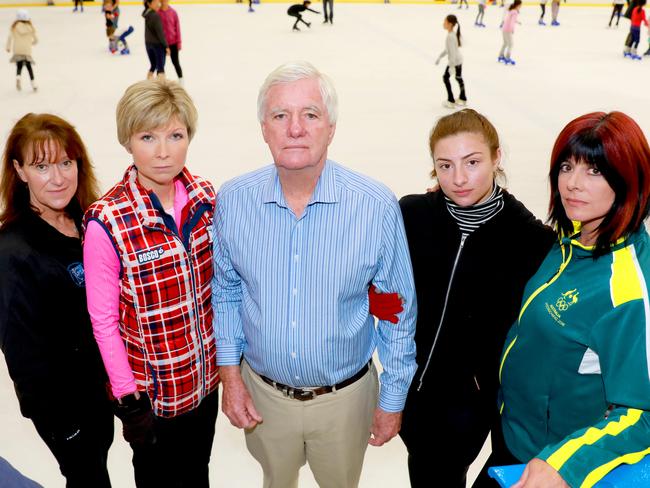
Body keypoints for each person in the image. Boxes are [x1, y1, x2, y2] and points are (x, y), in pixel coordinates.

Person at [212, 61, 417, 488]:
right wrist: (230, 378)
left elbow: (395, 313)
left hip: (344, 401)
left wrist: (392, 398)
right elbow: (227, 292)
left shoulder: (374, 206)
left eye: (310, 114)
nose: (295, 129)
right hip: (264, 395)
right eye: (280, 116)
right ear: (263, 128)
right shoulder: (234, 201)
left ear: (331, 127)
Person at [392, 109, 555, 488]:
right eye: (445, 165)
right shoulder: (411, 215)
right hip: (416, 397)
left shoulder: (530, 240)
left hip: (479, 402)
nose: (459, 178)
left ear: (496, 158)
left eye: (472, 162)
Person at [495, 111, 650, 488]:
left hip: (553, 462)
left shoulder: (626, 289)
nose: (573, 184)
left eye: (594, 171)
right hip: (514, 434)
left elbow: (642, 416)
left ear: (628, 179)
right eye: (567, 166)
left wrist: (566, 463)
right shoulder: (575, 238)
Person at [82, 79, 219, 488]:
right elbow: (103, 321)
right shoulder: (108, 221)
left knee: (198, 475)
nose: (163, 151)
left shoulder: (206, 199)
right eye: (148, 137)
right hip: (154, 400)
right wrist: (129, 399)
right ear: (127, 141)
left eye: (175, 136)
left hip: (203, 384)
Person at [0, 113, 114, 488]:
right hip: (66, 412)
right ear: (19, 171)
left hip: (100, 394)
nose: (59, 176)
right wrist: (66, 428)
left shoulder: (87, 220)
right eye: (42, 166)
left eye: (66, 162)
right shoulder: (13, 251)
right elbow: (23, 356)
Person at [435, 15, 467, 109]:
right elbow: (448, 49)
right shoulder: (451, 34)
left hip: (455, 61)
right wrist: (440, 56)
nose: (443, 24)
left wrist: (452, 66)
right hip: (457, 60)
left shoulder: (451, 36)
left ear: (450, 24)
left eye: (445, 22)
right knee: (458, 78)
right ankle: (462, 98)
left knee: (446, 78)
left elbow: (452, 53)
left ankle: (451, 100)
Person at [5, 9, 37, 92]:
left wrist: (8, 47)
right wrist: (32, 43)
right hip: (27, 50)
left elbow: (10, 38)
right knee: (29, 67)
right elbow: (36, 40)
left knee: (19, 65)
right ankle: (33, 84)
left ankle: (18, 77)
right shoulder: (30, 27)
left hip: (17, 50)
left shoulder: (15, 27)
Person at [142, 0, 169, 79]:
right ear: (149, 4)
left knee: (153, 65)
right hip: (157, 45)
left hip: (148, 44)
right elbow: (160, 33)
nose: (158, 4)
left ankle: (150, 81)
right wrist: (166, 46)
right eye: (155, 2)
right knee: (160, 68)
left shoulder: (146, 13)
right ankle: (160, 87)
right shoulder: (155, 16)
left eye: (158, 2)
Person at [158, 0, 183, 84]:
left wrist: (179, 42)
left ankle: (181, 81)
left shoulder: (173, 12)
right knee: (161, 65)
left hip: (173, 43)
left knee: (176, 63)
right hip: (162, 44)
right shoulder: (157, 13)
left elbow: (177, 28)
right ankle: (160, 83)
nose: (164, 1)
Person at [498, 0, 521, 65]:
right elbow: (511, 22)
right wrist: (512, 29)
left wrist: (517, 21)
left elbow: (509, 19)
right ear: (518, 5)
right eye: (520, 5)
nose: (520, 7)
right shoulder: (515, 12)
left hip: (504, 28)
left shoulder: (511, 10)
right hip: (508, 29)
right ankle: (507, 58)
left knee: (505, 43)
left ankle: (500, 56)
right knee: (511, 44)